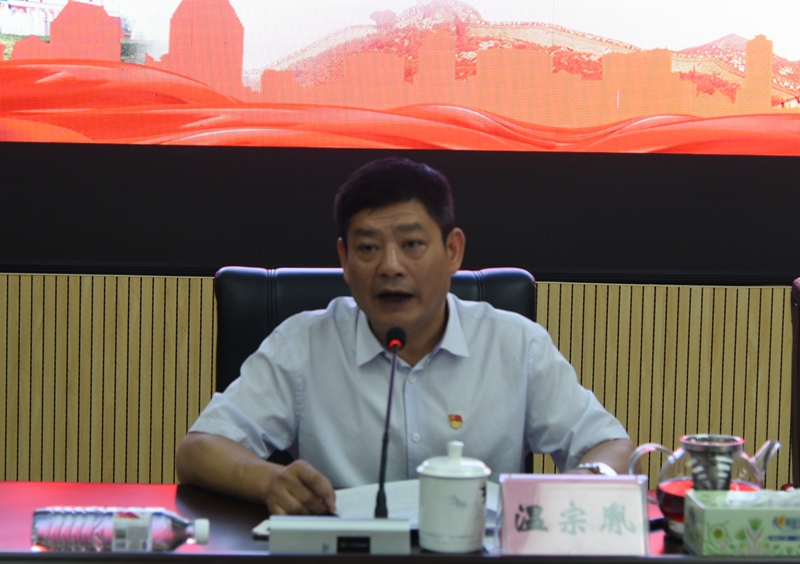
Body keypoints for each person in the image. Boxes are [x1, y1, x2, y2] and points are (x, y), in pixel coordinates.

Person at [176, 157, 635, 516]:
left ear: (452, 251)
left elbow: (611, 446)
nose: (391, 266)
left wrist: (578, 486)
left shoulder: (515, 345)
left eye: (412, 244)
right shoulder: (303, 346)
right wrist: (269, 482)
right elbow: (198, 451)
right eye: (368, 248)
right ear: (345, 260)